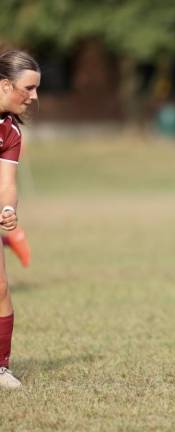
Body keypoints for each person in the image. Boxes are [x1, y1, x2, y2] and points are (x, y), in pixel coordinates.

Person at [0, 49, 40, 389]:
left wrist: (8, 209)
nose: (34, 96)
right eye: (28, 88)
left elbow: (7, 184)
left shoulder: (10, 131)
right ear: (3, 85)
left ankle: (0, 368)